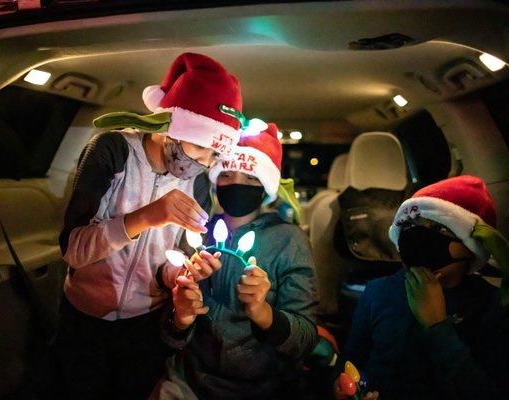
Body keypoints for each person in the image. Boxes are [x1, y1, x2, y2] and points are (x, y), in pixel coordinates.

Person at [51, 52, 244, 399]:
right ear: (169, 126)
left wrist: (188, 273)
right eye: (199, 146)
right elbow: (73, 251)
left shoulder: (198, 183)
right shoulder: (112, 151)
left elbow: (170, 268)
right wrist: (146, 217)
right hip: (84, 318)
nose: (201, 163)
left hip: (145, 325)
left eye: (213, 156)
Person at [155, 123, 319, 399]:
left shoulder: (289, 241)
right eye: (227, 174)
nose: (237, 184)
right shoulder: (196, 232)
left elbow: (305, 339)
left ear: (266, 186)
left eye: (251, 178)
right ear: (215, 180)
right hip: (188, 381)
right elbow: (168, 334)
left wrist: (264, 314)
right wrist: (180, 319)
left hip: (262, 389)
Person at [335, 175, 509, 400]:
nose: (416, 235)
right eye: (409, 225)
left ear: (468, 247)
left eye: (437, 227)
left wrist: (437, 326)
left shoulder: (490, 306)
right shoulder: (378, 291)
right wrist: (341, 385)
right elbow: (352, 358)